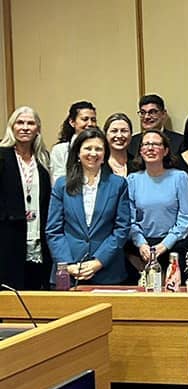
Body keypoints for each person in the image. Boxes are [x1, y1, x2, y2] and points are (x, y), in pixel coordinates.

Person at [46, 128, 130, 285]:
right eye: (88, 148)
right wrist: (68, 265)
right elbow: (53, 230)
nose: (93, 153)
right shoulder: (62, 185)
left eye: (98, 149)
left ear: (105, 155)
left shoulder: (118, 184)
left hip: (107, 271)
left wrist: (99, 261)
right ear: (78, 153)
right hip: (69, 272)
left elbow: (122, 228)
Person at [127, 130, 188, 277]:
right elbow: (129, 219)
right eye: (146, 144)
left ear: (166, 151)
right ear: (141, 151)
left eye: (156, 144)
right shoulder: (132, 180)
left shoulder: (180, 178)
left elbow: (186, 217)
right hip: (141, 246)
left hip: (173, 243)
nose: (150, 148)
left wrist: (165, 245)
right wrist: (141, 244)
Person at [0, 106, 53, 290]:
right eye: (20, 123)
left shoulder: (43, 158)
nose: (25, 127)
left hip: (38, 238)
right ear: (12, 127)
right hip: (8, 238)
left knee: (36, 294)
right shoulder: (2, 155)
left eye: (30, 123)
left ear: (37, 129)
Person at [49, 101, 97, 183]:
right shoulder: (60, 150)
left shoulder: (100, 148)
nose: (90, 124)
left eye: (93, 120)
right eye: (85, 119)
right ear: (72, 122)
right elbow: (57, 182)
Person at [104, 113, 133, 177]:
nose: (119, 135)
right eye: (114, 131)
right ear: (106, 134)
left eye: (124, 131)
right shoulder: (99, 165)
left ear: (131, 135)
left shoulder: (139, 165)